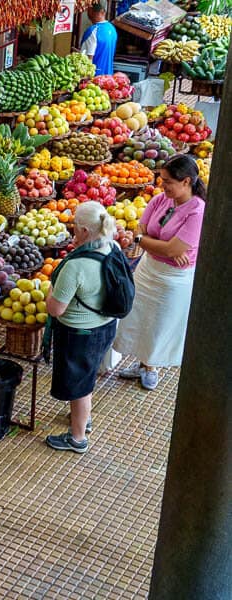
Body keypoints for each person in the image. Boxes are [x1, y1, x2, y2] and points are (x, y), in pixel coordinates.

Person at [113, 154, 206, 390]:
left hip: (173, 279)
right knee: (140, 317)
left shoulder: (197, 211)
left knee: (160, 323)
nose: (162, 185)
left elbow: (173, 247)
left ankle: (152, 365)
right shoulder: (160, 199)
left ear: (186, 182)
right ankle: (142, 362)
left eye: (168, 182)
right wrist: (154, 243)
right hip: (147, 270)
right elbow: (139, 228)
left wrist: (149, 242)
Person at [44, 202, 120, 453]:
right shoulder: (113, 247)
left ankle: (77, 438)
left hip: (79, 334)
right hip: (106, 326)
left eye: (76, 227)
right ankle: (83, 420)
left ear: (85, 231)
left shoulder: (75, 266)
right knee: (86, 377)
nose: (73, 231)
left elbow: (56, 309)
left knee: (80, 385)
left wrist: (50, 290)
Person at [81, 3, 118, 76]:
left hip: (95, 77)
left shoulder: (93, 30)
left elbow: (89, 58)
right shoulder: (112, 28)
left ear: (90, 11)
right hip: (108, 76)